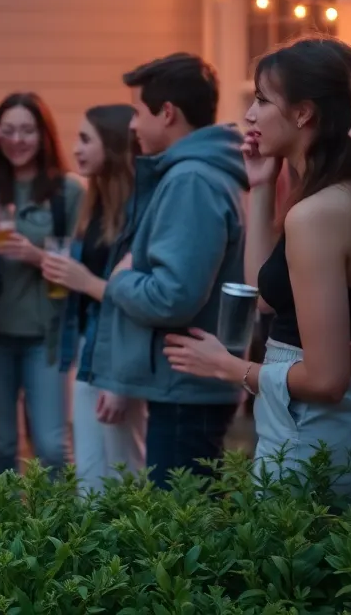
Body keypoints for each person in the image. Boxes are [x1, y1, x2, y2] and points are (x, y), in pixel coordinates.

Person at [164, 37, 351, 499]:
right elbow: (267, 295)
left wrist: (229, 367)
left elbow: (326, 379)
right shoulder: (333, 198)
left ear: (303, 113)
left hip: (312, 433)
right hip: (324, 427)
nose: (249, 115)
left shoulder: (319, 214)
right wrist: (261, 186)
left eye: (261, 99)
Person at [88, 52, 247, 489]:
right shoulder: (203, 172)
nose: (132, 126)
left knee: (181, 525)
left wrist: (120, 280)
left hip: (186, 389)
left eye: (138, 112)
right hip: (187, 385)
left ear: (168, 113)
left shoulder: (191, 180)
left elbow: (172, 296)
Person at [0, 92, 83, 477]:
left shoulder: (69, 191)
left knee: (52, 446)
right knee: (3, 444)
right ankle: (6, 517)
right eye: (8, 130)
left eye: (27, 130)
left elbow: (84, 264)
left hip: (46, 336)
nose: (18, 140)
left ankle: (58, 517)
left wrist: (35, 255)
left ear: (44, 135)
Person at [41, 105, 146, 491]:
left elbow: (139, 300)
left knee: (124, 475)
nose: (76, 149)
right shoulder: (95, 203)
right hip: (90, 349)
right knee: (89, 479)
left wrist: (83, 280)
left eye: (86, 139)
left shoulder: (139, 212)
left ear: (114, 145)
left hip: (119, 356)